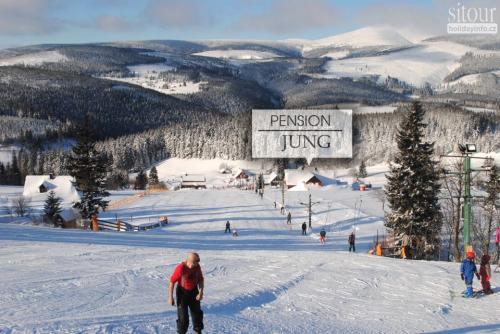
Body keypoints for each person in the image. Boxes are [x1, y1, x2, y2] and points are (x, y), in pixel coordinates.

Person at [168, 252, 204, 334]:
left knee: (197, 314)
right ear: (189, 261)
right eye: (196, 261)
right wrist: (170, 297)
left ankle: (198, 331)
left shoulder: (197, 267)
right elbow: (172, 282)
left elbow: (201, 279)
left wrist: (201, 292)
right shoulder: (181, 268)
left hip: (194, 291)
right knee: (183, 317)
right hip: (182, 293)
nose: (197, 263)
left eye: (198, 261)